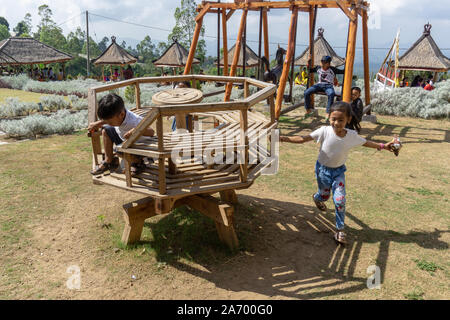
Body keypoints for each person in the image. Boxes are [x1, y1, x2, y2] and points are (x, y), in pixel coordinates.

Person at [280, 101, 396, 244]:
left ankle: (340, 230)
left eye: (341, 120)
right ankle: (317, 198)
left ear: (348, 119)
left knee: (340, 200)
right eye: (333, 119)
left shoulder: (351, 135)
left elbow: (366, 142)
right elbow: (303, 138)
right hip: (322, 170)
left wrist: (383, 146)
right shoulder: (324, 131)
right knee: (324, 195)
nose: (336, 123)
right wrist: (285, 138)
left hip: (339, 172)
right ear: (329, 118)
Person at [88, 93, 155, 175]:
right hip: (126, 139)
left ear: (122, 114)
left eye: (110, 122)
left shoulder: (133, 121)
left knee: (119, 151)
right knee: (106, 130)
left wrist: (135, 130)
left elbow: (151, 132)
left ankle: (138, 162)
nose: (107, 123)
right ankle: (108, 160)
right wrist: (98, 123)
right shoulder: (119, 114)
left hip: (141, 146)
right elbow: (110, 119)